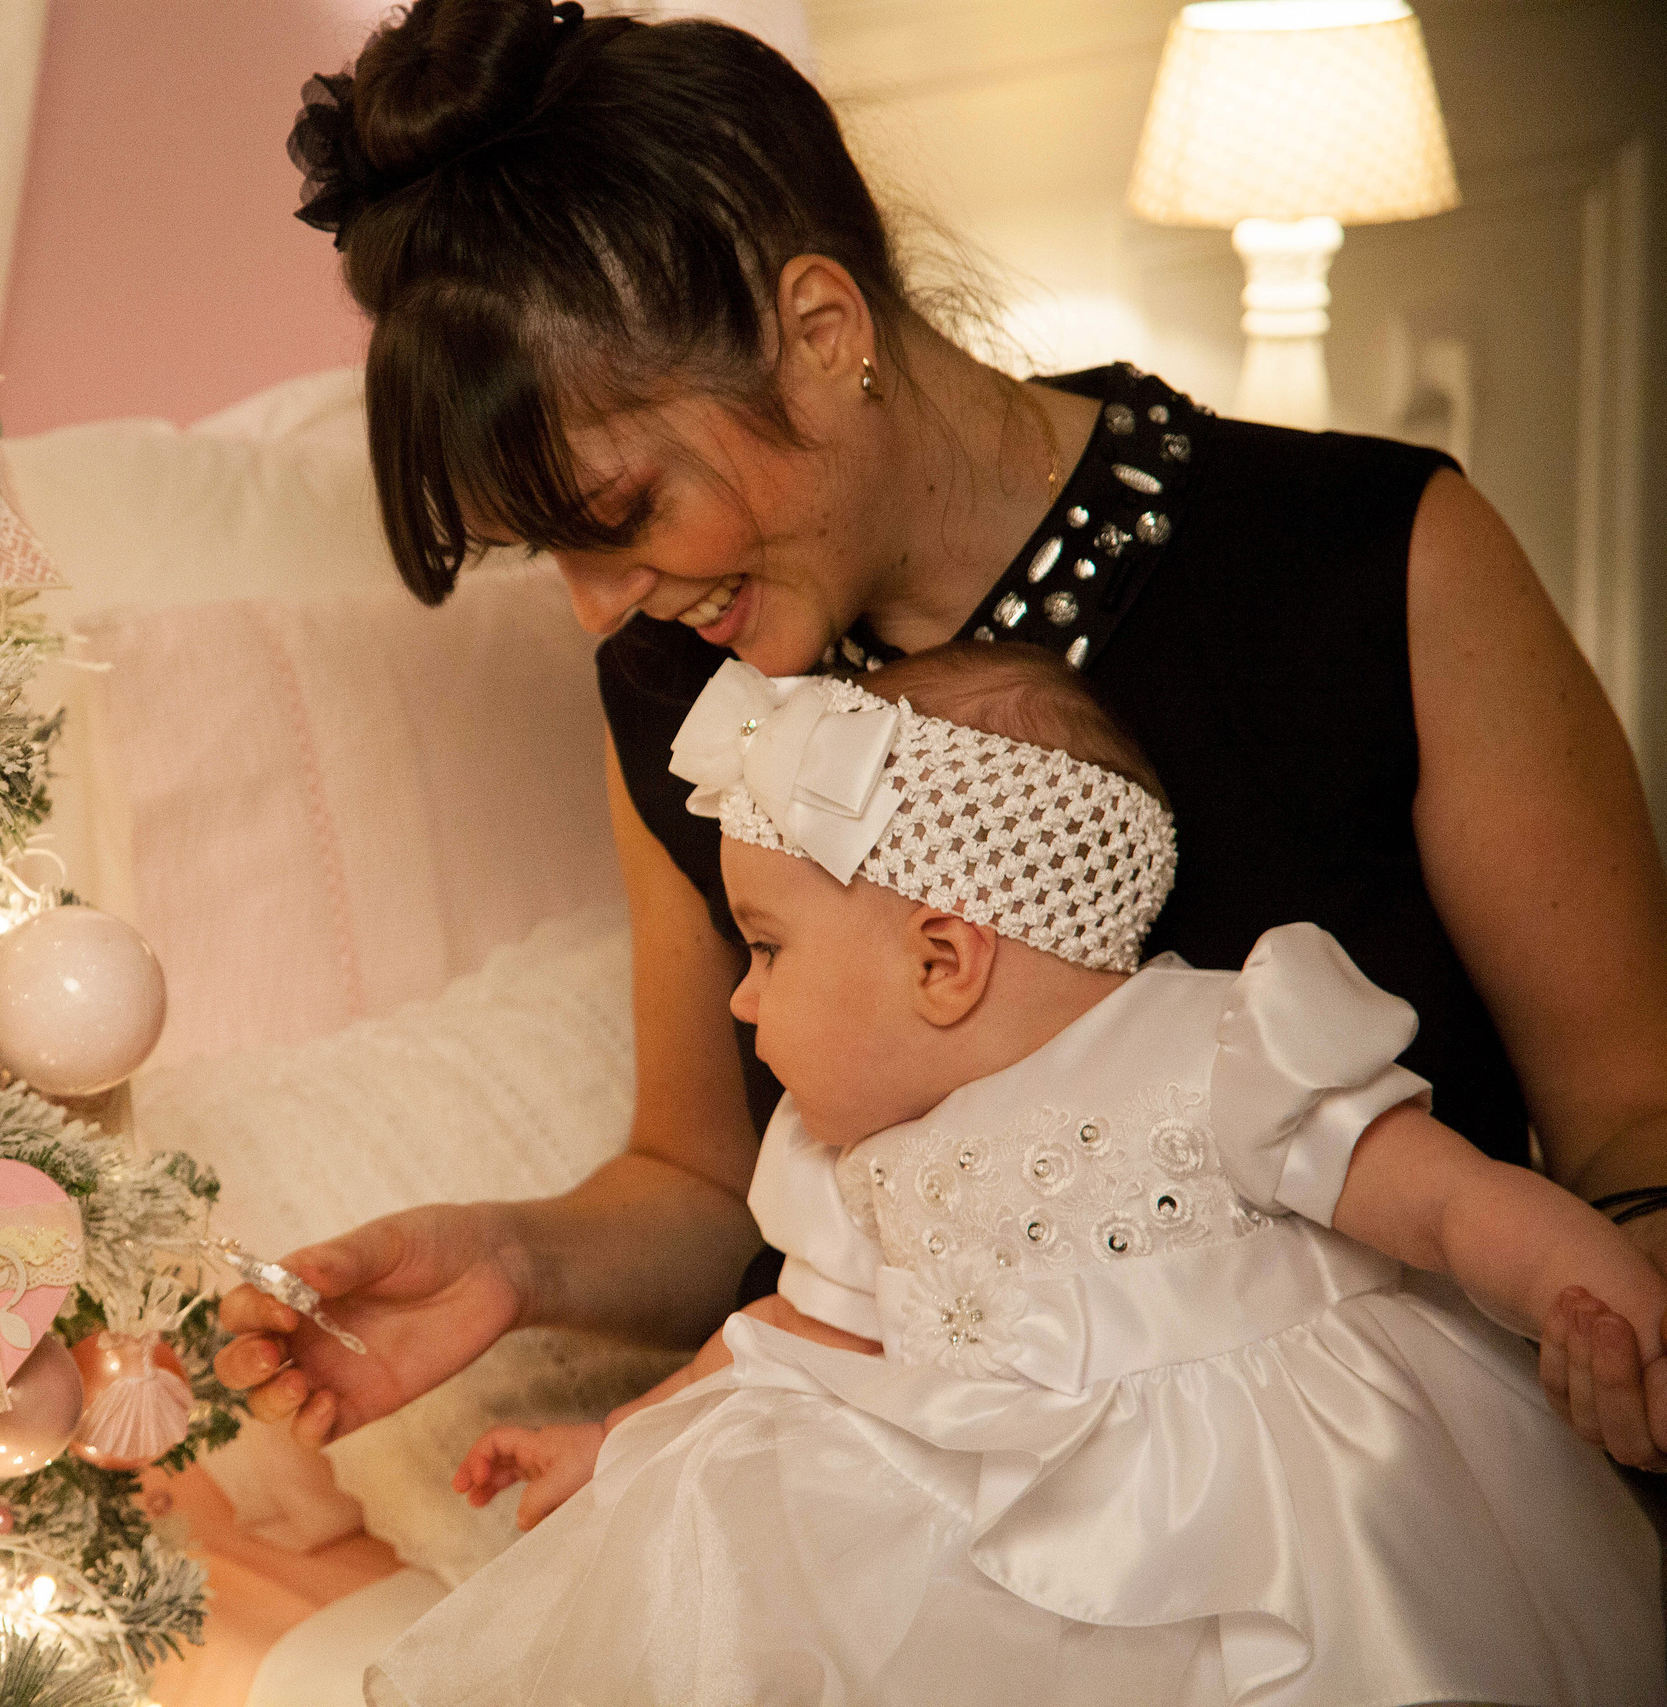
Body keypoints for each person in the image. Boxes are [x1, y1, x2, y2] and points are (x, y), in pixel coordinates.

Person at [218, 0, 1667, 1476]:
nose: (601, 613)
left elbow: (1633, 1131)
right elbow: (710, 1184)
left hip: (1377, 1479)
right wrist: (517, 1263)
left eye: (619, 517)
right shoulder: (675, 699)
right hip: (921, 1505)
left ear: (821, 333)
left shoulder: (1376, 558)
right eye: (549, 557)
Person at [370, 644, 1664, 1706]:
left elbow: (1440, 1197)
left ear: (945, 959)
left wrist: (1582, 1290)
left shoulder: (1227, 1046)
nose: (742, 1000)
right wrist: (617, 1440)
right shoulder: (850, 1157)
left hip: (1282, 1512)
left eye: (764, 948)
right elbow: (780, 1336)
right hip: (991, 1565)